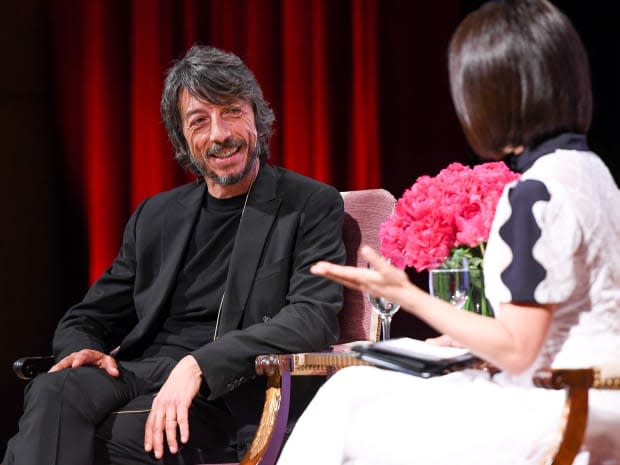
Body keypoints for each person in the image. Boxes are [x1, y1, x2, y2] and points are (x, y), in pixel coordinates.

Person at [277, 1, 620, 464]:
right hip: (601, 398)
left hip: (556, 408)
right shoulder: (594, 174)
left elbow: (519, 350)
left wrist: (409, 296)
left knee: (348, 400)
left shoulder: (535, 195)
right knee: (364, 384)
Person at [3, 45, 346, 465]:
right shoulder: (158, 215)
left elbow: (313, 316)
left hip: (227, 390)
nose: (220, 134)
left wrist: (199, 363)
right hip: (140, 373)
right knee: (50, 389)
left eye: (232, 111)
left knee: (72, 440)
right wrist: (83, 348)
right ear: (182, 138)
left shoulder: (308, 204)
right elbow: (85, 317)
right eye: (200, 121)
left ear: (257, 116)